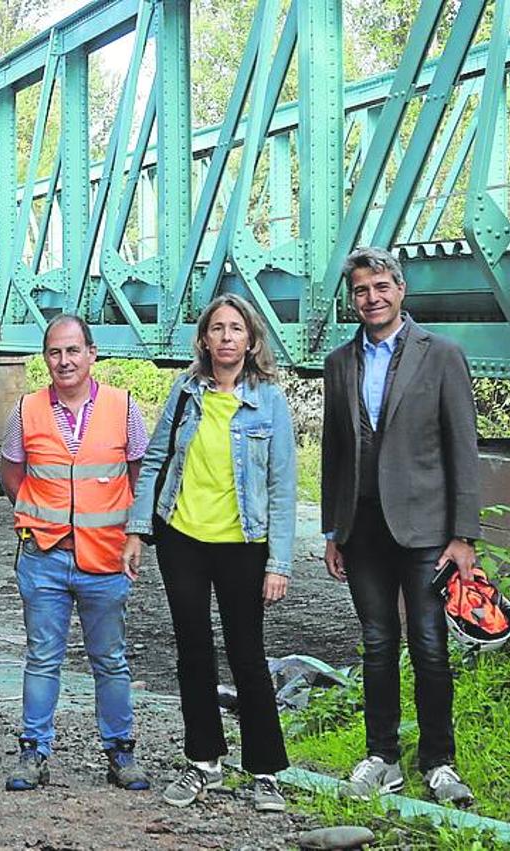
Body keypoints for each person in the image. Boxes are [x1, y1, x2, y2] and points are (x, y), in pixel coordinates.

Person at [123, 293, 296, 811]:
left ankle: (264, 769)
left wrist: (279, 563)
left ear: (250, 339)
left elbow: (283, 486)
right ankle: (204, 763)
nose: (226, 337)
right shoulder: (183, 391)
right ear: (204, 339)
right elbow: (154, 461)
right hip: (183, 539)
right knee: (193, 652)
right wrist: (137, 530)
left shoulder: (270, 401)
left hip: (244, 544)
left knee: (248, 655)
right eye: (217, 328)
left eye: (235, 329)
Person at [320, 247, 480, 807]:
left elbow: (464, 447)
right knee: (376, 643)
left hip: (426, 530)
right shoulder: (340, 362)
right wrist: (331, 529)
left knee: (429, 645)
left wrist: (464, 536)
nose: (372, 298)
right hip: (361, 528)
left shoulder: (442, 355)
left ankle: (439, 762)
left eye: (381, 287)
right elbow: (334, 449)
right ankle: (381, 757)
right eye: (362, 291)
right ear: (353, 299)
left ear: (401, 290)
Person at [0, 314, 151, 793]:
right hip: (44, 557)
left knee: (110, 658)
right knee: (42, 657)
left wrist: (135, 535)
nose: (64, 361)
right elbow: (10, 472)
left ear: (91, 354)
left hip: (106, 560)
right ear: (46, 359)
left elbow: (140, 474)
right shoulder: (25, 410)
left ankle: (120, 752)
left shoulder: (124, 408)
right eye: (54, 353)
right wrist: (37, 519)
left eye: (72, 351)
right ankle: (34, 752)